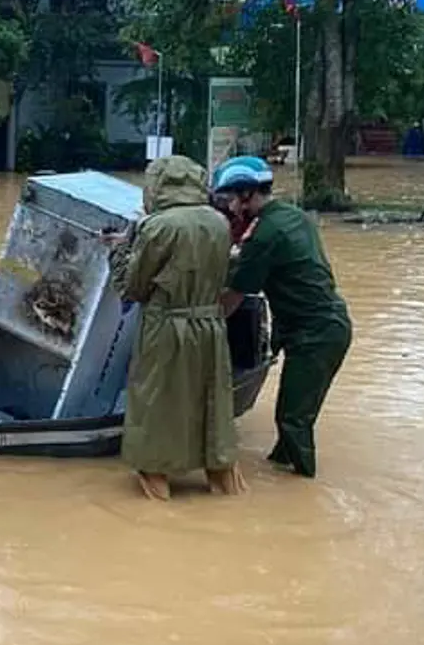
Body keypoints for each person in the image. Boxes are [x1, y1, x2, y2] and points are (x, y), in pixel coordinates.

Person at [106, 155, 245, 501]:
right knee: (210, 398)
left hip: (166, 325)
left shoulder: (157, 227)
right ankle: (222, 475)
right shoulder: (218, 222)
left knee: (156, 402)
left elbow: (133, 288)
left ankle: (157, 481)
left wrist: (119, 252)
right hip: (211, 325)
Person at [218, 157, 352, 479]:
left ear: (248, 194)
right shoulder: (294, 216)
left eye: (231, 199)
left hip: (315, 335)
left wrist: (197, 326)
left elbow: (234, 297)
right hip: (325, 325)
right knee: (293, 415)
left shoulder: (265, 235)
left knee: (292, 420)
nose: (231, 207)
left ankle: (304, 496)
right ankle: (281, 470)